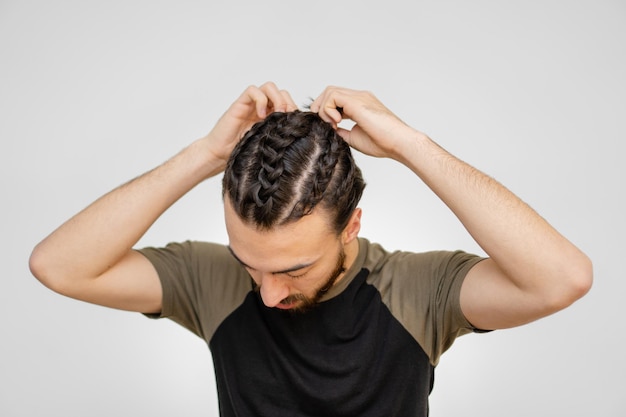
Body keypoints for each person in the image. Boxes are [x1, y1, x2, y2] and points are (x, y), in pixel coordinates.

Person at [29, 82, 593, 416]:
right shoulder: (211, 280)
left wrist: (408, 144)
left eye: (294, 269)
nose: (269, 293)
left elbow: (560, 278)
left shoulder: (418, 292)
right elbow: (58, 265)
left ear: (351, 228)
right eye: (250, 264)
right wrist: (205, 155)